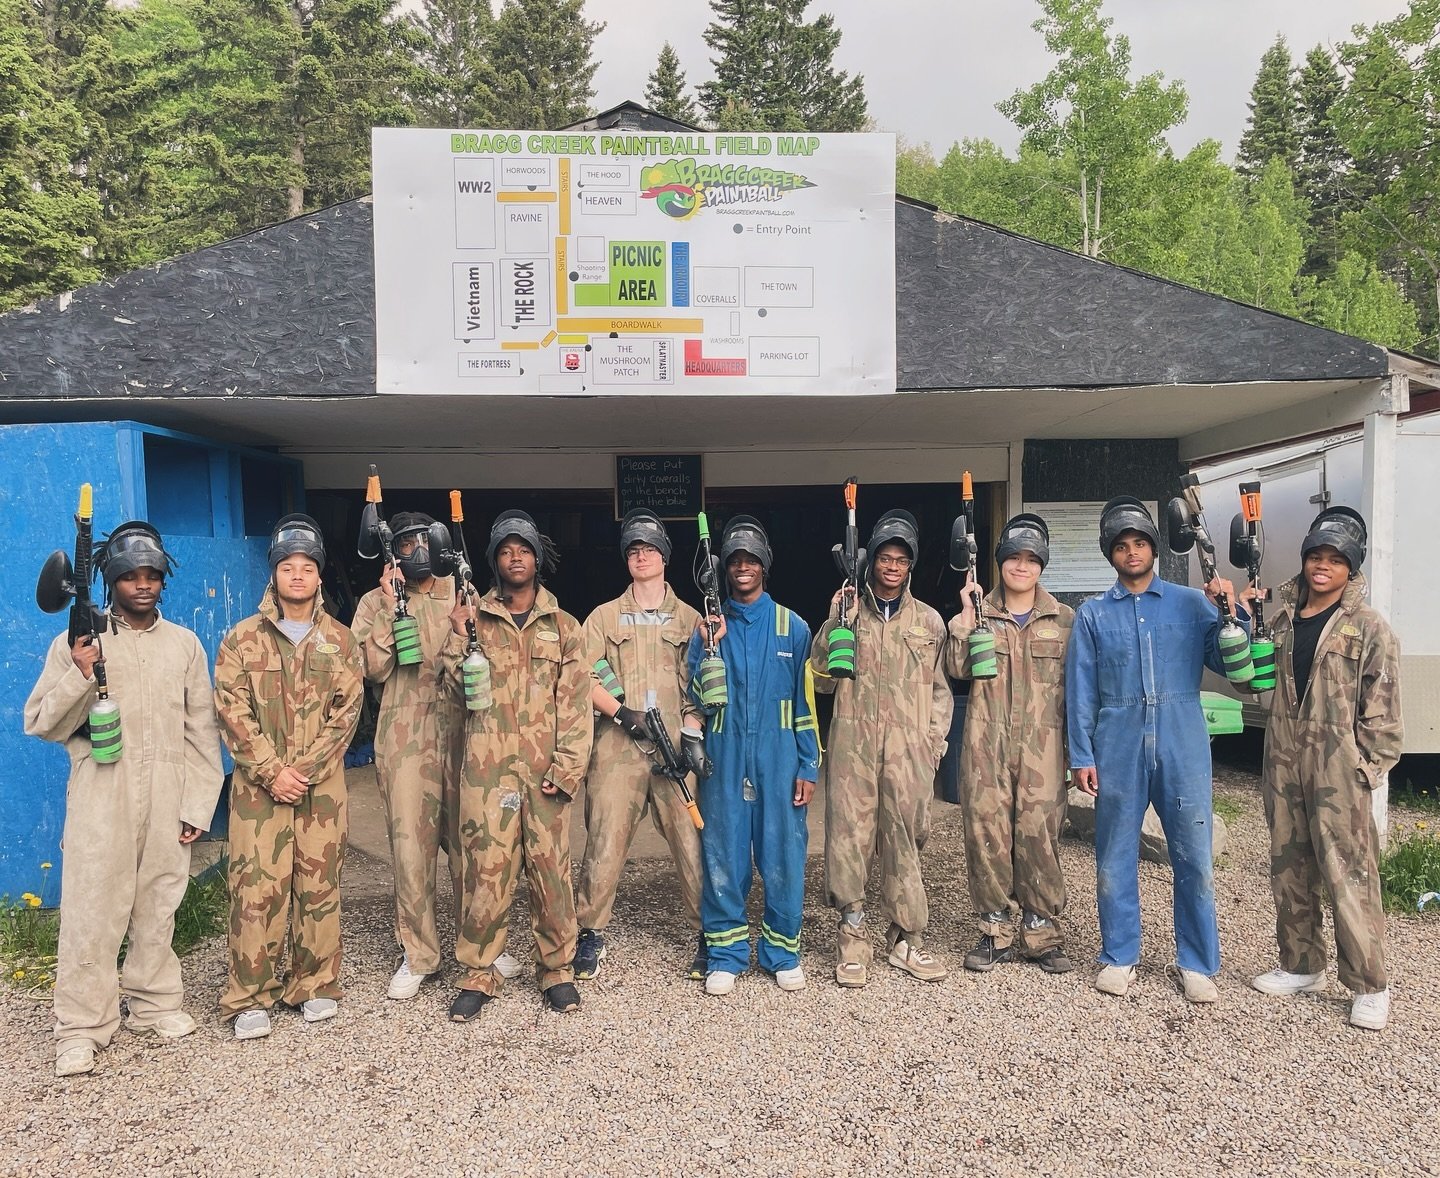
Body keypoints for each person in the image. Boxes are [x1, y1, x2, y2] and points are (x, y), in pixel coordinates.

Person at [25, 522, 224, 1077]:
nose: (142, 586)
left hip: (166, 791)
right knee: (93, 907)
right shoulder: (78, 641)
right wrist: (81, 673)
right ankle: (83, 1027)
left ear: (162, 581)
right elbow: (40, 721)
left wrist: (197, 805)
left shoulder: (183, 644)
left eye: (151, 576)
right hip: (100, 790)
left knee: (159, 902)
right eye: (130, 577)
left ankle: (154, 1003)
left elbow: (199, 731)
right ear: (110, 581)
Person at [1065, 497, 1244, 1004]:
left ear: (1154, 548)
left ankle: (1197, 963)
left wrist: (1234, 609)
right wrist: (1082, 755)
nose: (1132, 552)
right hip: (1117, 739)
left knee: (1194, 854)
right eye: (1121, 546)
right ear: (1110, 555)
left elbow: (1231, 660)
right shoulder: (1093, 616)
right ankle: (1119, 955)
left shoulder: (1192, 602)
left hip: (1182, 737)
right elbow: (1081, 692)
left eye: (1140, 543)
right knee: (1115, 854)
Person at [1250, 507, 1402, 1030]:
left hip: (1339, 769)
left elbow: (1383, 707)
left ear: (1350, 568)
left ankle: (1368, 984)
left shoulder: (1369, 627)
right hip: (1285, 763)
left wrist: (1367, 767)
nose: (1323, 567)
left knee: (1348, 872)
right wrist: (1234, 617)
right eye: (1316, 556)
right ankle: (1301, 964)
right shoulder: (1284, 618)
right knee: (1289, 865)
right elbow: (1257, 682)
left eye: (1336, 560)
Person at [214, 514, 364, 1040]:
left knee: (318, 886)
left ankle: (315, 985)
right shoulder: (242, 639)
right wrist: (273, 771)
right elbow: (231, 711)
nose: (297, 576)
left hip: (320, 789)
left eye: (306, 567)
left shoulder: (341, 642)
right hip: (259, 791)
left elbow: (347, 714)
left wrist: (303, 771)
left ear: (320, 576)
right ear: (273, 575)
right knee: (256, 888)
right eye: (287, 567)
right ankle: (251, 994)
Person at [442, 510, 592, 1020]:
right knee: (486, 873)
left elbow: (575, 706)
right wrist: (459, 640)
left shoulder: (565, 628)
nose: (515, 557)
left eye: (523, 549)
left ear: (537, 559)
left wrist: (568, 770)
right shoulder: (473, 621)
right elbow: (451, 697)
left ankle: (557, 970)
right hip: (488, 775)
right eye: (506, 550)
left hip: (546, 774)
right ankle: (478, 973)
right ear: (494, 561)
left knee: (552, 874)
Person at [810, 510, 951, 987]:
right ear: (871, 562)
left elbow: (939, 689)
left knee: (906, 840)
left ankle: (906, 938)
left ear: (910, 566)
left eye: (901, 560)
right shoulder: (849, 613)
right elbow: (822, 681)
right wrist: (835, 621)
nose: (892, 566)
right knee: (848, 838)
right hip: (853, 748)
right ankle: (851, 937)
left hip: (909, 752)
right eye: (885, 558)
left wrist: (933, 744)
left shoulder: (929, 621)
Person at [687, 515, 821, 996]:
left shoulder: (794, 627)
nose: (743, 566)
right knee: (724, 853)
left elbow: (806, 703)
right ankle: (725, 953)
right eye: (735, 560)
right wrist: (710, 648)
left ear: (765, 565)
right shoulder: (708, 626)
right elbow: (696, 699)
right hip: (724, 757)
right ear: (725, 569)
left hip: (779, 757)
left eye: (751, 559)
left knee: (784, 852)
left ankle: (782, 952)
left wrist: (808, 763)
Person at [574, 510, 707, 981]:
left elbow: (702, 685)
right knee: (604, 840)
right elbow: (582, 675)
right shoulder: (602, 618)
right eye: (633, 550)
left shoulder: (692, 619)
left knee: (691, 841)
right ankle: (588, 931)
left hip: (673, 750)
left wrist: (692, 734)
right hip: (617, 748)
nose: (641, 556)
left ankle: (706, 931)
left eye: (649, 549)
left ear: (665, 557)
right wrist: (620, 713)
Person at [351, 512, 478, 1001]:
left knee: (472, 843)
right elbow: (370, 667)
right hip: (404, 736)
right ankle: (419, 953)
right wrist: (388, 605)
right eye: (406, 543)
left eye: (425, 540)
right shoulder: (373, 601)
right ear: (394, 552)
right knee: (411, 853)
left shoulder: (463, 591)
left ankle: (479, 944)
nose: (416, 549)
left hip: (464, 730)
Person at [948, 513, 1076, 975]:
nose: (1021, 567)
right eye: (1013, 558)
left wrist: (1079, 752)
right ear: (999, 562)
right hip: (986, 747)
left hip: (1044, 749)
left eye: (1030, 559)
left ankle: (1041, 932)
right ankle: (995, 929)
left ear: (1042, 566)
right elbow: (957, 669)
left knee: (1040, 836)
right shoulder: (980, 614)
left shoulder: (1065, 620)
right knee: (986, 836)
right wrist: (965, 615)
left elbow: (1079, 689)